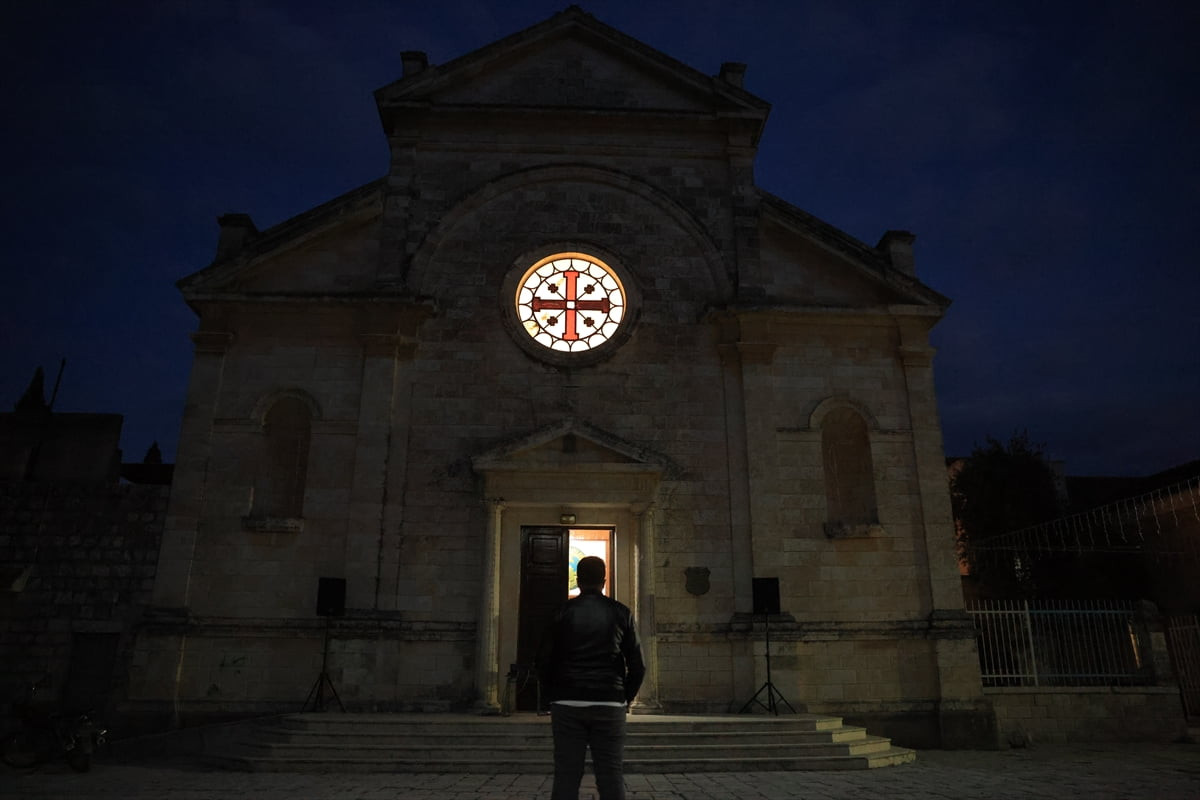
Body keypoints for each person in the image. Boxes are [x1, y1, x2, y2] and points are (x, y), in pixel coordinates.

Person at [536, 556, 645, 800]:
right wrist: (623, 698)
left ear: (578, 580)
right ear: (604, 581)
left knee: (566, 774)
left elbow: (543, 660)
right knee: (611, 775)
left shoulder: (562, 612)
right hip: (609, 701)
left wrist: (551, 696)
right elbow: (638, 665)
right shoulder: (621, 613)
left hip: (567, 701)